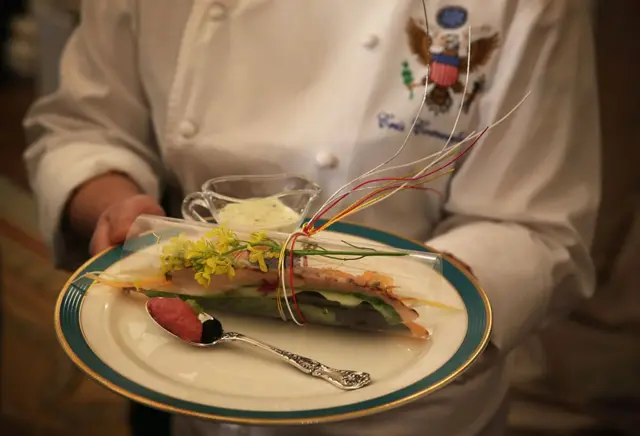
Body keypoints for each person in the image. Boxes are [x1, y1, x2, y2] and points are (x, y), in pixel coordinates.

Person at [23, 1, 600, 435]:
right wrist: (118, 207)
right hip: (186, 364)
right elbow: (84, 127)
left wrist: (385, 295)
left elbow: (537, 227)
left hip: (409, 406)